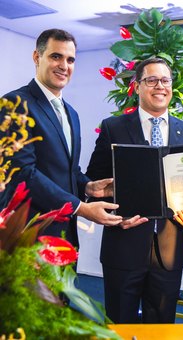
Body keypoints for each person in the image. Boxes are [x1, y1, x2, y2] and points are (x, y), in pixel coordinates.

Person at [86, 58, 183, 323]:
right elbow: (94, 183)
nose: (159, 86)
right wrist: (113, 212)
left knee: (162, 326)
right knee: (120, 323)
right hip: (123, 247)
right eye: (151, 80)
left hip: (169, 251)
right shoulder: (113, 127)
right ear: (137, 87)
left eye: (165, 80)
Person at [0, 28, 128, 247]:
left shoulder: (71, 113)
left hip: (64, 234)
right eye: (55, 56)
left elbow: (68, 169)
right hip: (28, 234)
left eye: (70, 60)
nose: (64, 66)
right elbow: (23, 173)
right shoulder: (15, 104)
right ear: (36, 57)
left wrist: (88, 187)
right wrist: (81, 208)